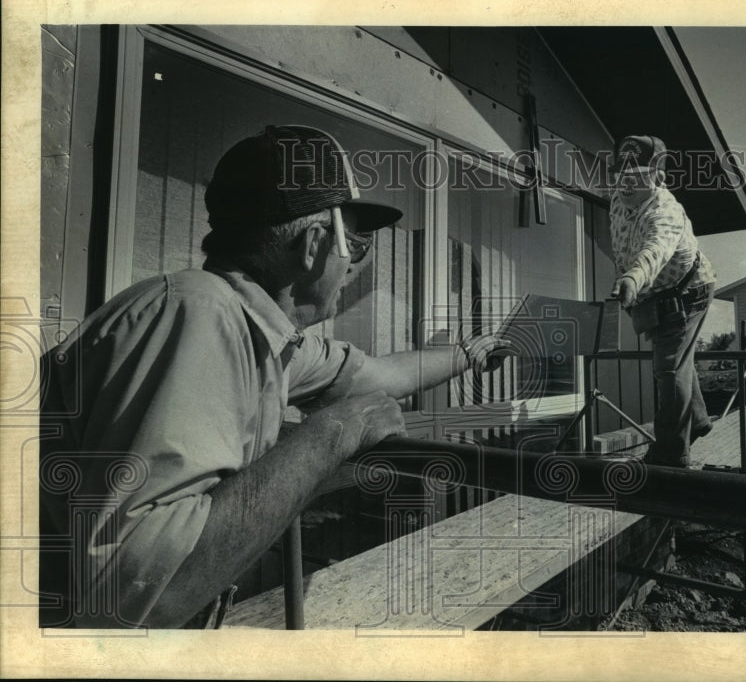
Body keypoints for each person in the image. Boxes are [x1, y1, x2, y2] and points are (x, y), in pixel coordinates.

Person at [39, 124, 511, 629]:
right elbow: (139, 591)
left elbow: (376, 376)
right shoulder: (200, 318)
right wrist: (334, 435)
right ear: (313, 244)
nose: (353, 267)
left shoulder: (256, 333)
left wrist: (466, 353)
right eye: (357, 245)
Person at [608, 135, 716, 468]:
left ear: (656, 174)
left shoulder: (665, 210)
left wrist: (632, 279)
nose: (627, 182)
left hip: (689, 292)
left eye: (636, 174)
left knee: (669, 368)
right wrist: (630, 284)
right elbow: (622, 244)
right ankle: (696, 420)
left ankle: (671, 454)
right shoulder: (617, 198)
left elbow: (653, 251)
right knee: (677, 362)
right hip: (654, 293)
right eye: (621, 173)